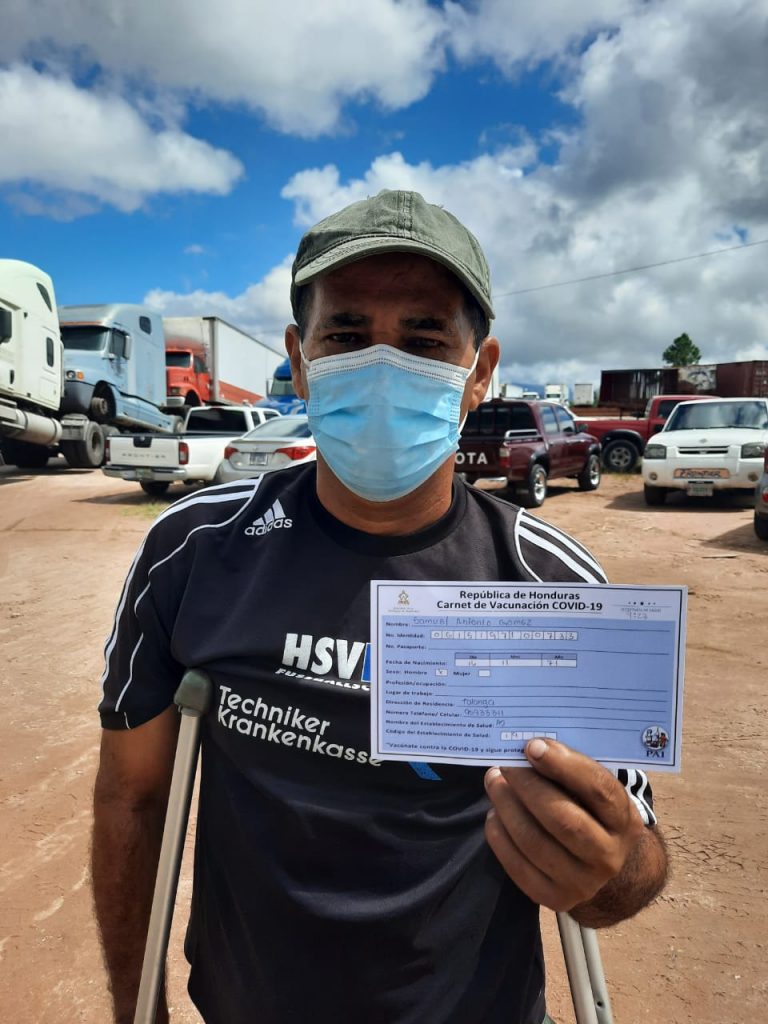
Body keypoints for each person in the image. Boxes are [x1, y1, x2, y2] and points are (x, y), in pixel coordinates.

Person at [92, 189, 667, 1024]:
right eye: (347, 335)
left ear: (479, 372)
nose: (382, 366)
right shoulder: (193, 550)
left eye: (425, 340)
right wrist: (132, 1012)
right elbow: (134, 797)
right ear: (299, 359)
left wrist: (611, 869)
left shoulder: (553, 589)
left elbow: (630, 861)